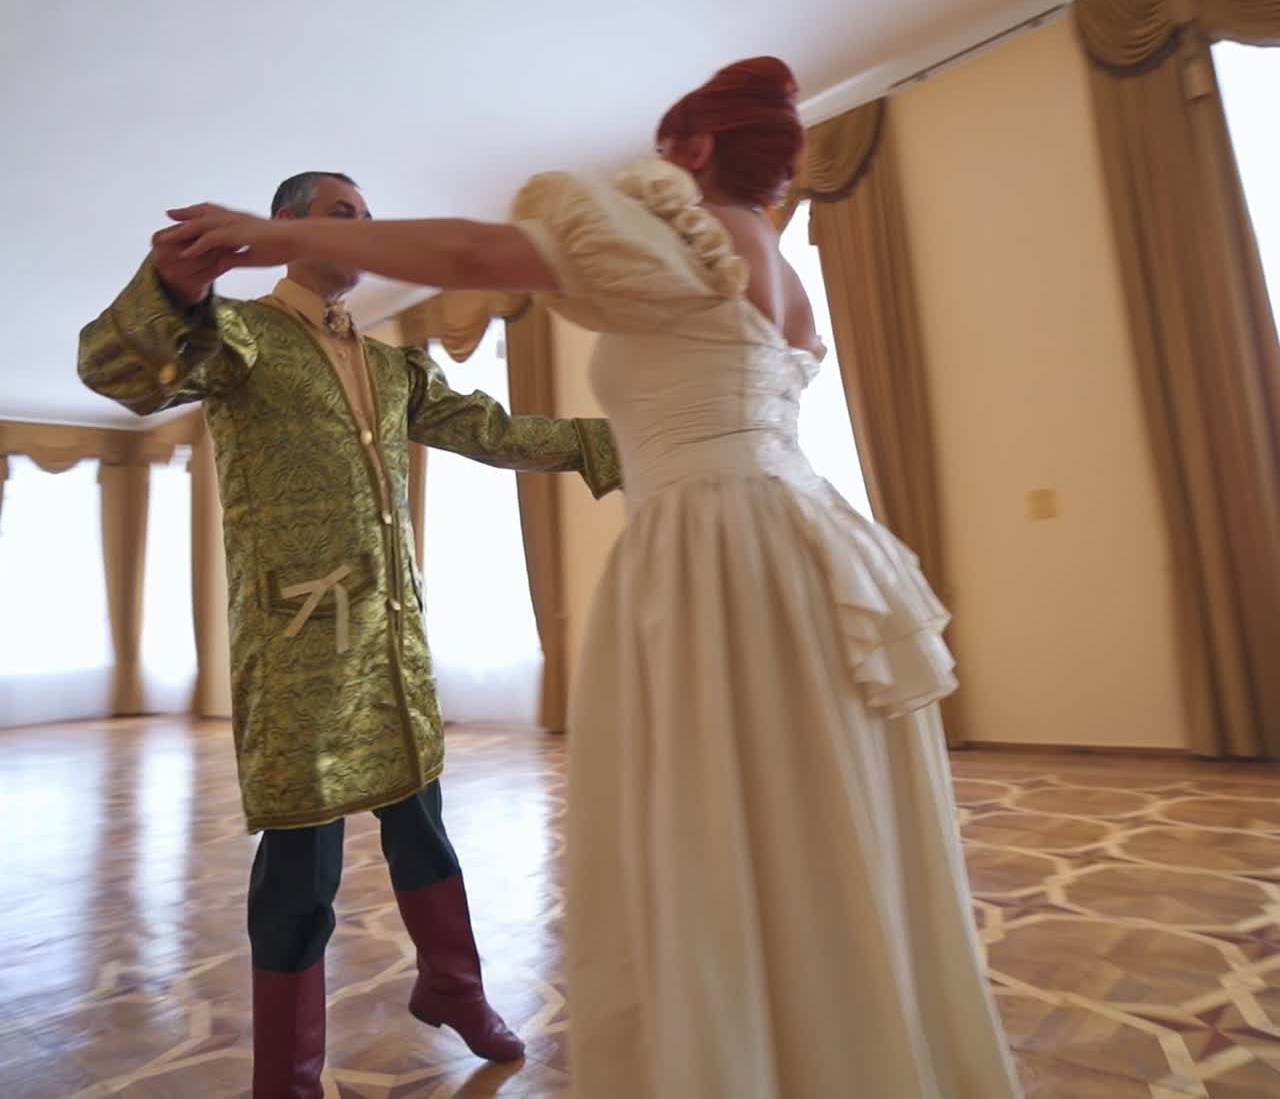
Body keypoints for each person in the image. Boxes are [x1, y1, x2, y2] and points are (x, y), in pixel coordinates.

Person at [154, 61, 1023, 1097]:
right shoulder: (776, 274)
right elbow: (137, 364)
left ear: (694, 150)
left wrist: (280, 229)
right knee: (805, 823)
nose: (359, 222)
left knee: (663, 824)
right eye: (338, 213)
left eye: (668, 145)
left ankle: (550, 1006)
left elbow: (484, 326)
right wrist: (198, 282)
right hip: (793, 554)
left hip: (688, 560)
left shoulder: (637, 262)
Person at [78, 170, 621, 1098]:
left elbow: (492, 432)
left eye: (370, 217)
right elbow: (118, 372)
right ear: (282, 229)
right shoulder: (241, 335)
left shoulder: (391, 366)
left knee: (424, 825)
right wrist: (175, 290)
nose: (364, 229)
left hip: (392, 639)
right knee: (303, 863)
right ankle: (285, 1077)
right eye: (342, 213)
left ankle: (452, 986)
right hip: (301, 647)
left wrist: (623, 439)